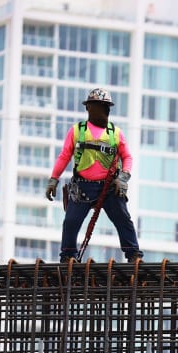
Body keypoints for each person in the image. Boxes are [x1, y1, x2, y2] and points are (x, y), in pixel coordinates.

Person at [45, 88, 144, 263]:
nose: (100, 110)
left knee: (123, 218)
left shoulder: (115, 133)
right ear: (88, 108)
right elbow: (64, 155)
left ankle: (133, 254)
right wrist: (53, 179)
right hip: (82, 186)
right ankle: (68, 255)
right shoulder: (77, 131)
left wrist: (123, 178)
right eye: (96, 106)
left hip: (108, 187)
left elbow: (127, 157)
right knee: (71, 221)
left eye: (103, 107)